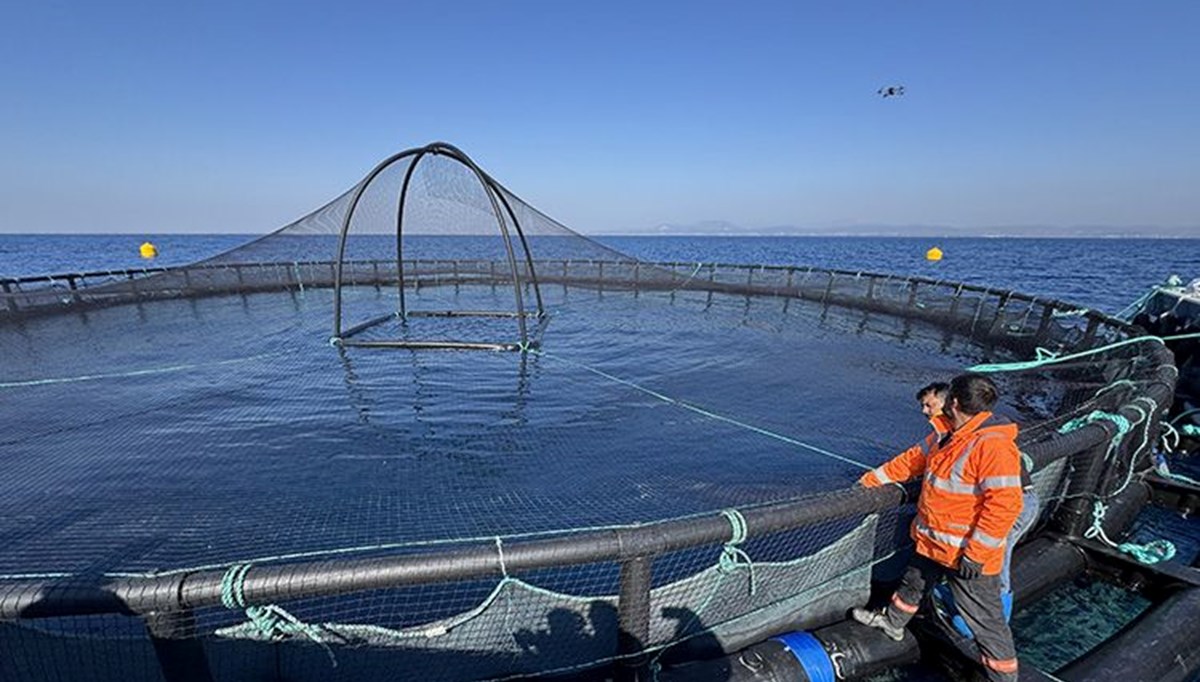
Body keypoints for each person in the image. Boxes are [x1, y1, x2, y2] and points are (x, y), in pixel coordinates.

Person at [853, 373, 1024, 682]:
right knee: (913, 584)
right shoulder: (945, 434)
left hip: (965, 554)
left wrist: (976, 553)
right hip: (932, 542)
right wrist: (867, 483)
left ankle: (1004, 677)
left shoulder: (992, 445)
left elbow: (1005, 504)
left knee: (985, 620)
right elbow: (908, 462)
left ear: (954, 402)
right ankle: (892, 623)